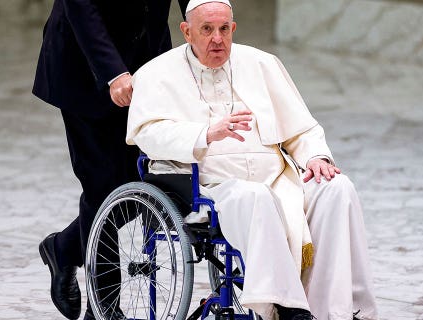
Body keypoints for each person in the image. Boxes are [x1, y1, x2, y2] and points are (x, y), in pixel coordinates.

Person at [126, 1, 379, 319]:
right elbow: (149, 135)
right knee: (254, 195)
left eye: (223, 29)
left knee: (336, 187)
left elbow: (302, 128)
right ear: (187, 31)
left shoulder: (262, 64)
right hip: (212, 185)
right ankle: (288, 308)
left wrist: (315, 156)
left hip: (277, 177)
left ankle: (337, 310)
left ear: (232, 28)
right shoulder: (157, 73)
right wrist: (205, 133)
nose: (217, 39)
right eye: (206, 29)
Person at [32, 0, 189, 319]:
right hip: (86, 63)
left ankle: (64, 249)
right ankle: (103, 308)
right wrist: (113, 73)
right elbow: (81, 6)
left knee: (146, 181)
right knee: (101, 185)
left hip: (148, 58)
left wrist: (212, 26)